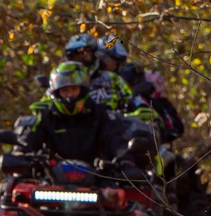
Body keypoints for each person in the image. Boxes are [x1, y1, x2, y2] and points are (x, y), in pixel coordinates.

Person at [23, 61, 152, 168]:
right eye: (65, 90)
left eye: (74, 89)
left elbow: (116, 140)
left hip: (98, 179)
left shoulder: (101, 114)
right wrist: (20, 154)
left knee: (132, 194)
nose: (70, 95)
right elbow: (29, 141)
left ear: (83, 89)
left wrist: (126, 161)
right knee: (12, 189)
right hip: (50, 182)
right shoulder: (46, 116)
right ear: (57, 92)